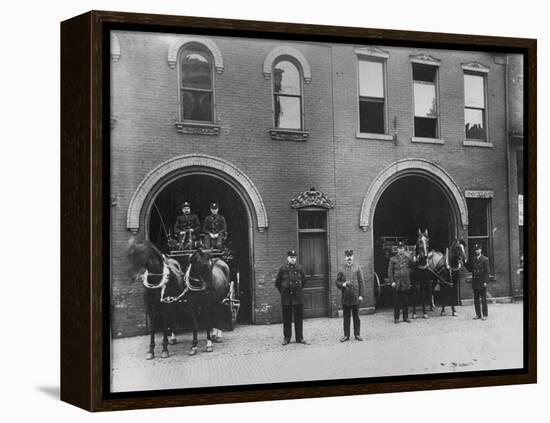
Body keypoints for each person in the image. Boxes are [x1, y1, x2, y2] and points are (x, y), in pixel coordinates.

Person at [275, 250, 308, 345]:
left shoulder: (299, 268)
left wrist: (298, 290)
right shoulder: (283, 269)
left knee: (298, 318)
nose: (293, 259)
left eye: (294, 257)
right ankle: (287, 338)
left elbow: (304, 281)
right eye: (291, 257)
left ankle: (299, 338)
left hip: (297, 297)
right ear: (287, 258)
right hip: (286, 298)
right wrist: (283, 292)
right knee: (286, 319)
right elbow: (277, 283)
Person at [335, 250, 364, 342]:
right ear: (345, 258)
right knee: (346, 317)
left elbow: (361, 282)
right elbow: (337, 282)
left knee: (356, 317)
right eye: (347, 256)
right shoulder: (341, 269)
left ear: (353, 257)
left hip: (355, 296)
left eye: (351, 256)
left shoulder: (357, 268)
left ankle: (357, 334)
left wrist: (361, 295)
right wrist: (342, 284)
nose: (349, 258)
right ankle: (346, 335)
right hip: (346, 297)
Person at [388, 241, 414, 324]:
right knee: (396, 302)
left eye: (402, 248)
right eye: (399, 249)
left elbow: (412, 266)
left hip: (405, 283)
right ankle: (396, 318)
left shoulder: (407, 258)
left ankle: (406, 317)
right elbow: (390, 271)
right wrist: (392, 281)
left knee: (406, 301)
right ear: (397, 250)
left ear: (404, 249)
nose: (401, 250)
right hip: (397, 283)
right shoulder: (393, 259)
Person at [467, 243, 490, 320]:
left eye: (478, 249)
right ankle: (478, 315)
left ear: (481, 250)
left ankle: (485, 315)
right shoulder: (473, 259)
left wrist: (486, 282)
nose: (477, 251)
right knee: (476, 300)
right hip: (475, 282)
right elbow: (470, 269)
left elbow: (487, 272)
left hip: (482, 282)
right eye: (476, 249)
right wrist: (464, 262)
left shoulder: (485, 259)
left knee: (483, 300)